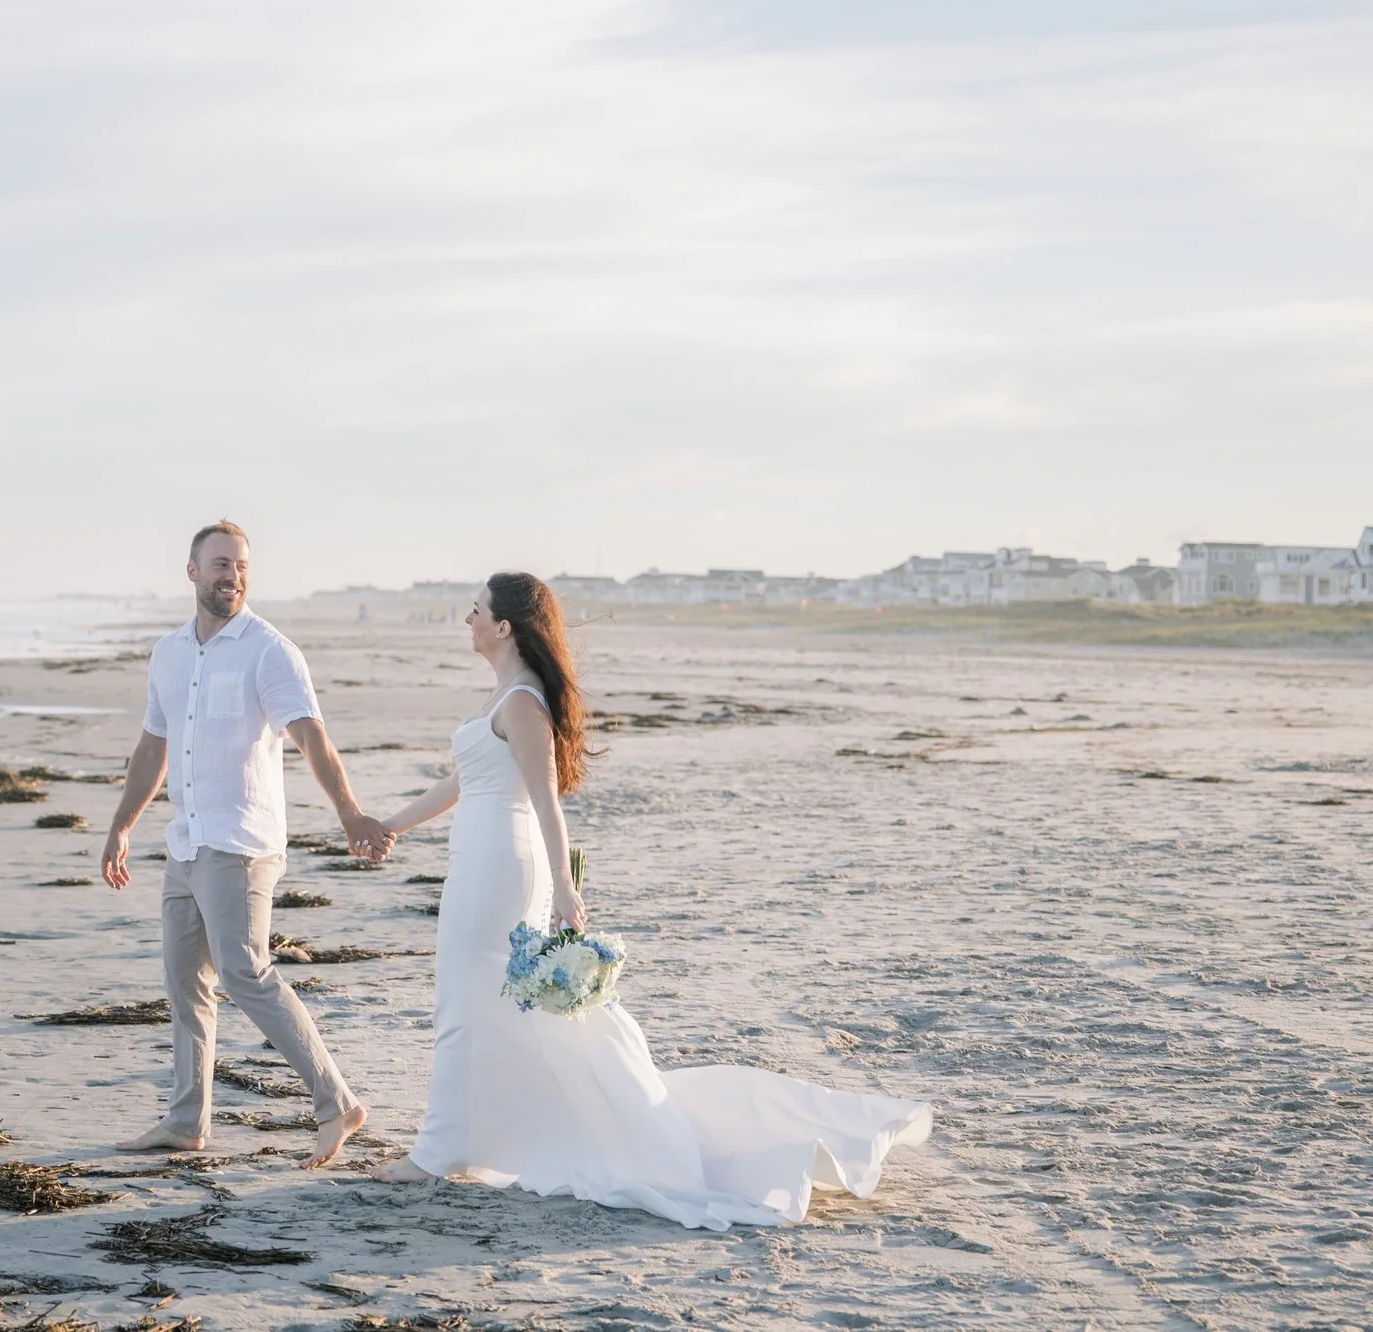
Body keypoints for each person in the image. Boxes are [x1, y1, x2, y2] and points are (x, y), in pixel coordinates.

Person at [365, 571, 932, 1229]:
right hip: (477, 862)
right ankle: (466, 1140)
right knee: (483, 1005)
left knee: (467, 1002)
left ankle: (438, 1152)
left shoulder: (521, 703)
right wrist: (389, 827)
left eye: (476, 611)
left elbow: (547, 803)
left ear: (504, 626)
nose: (467, 620)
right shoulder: (504, 696)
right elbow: (458, 783)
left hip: (501, 868)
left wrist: (565, 888)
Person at [101, 521, 387, 1170]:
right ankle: (185, 1121)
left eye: (241, 566)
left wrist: (349, 812)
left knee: (244, 969)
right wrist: (122, 824)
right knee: (183, 981)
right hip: (188, 840)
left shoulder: (269, 650)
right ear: (192, 571)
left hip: (242, 842)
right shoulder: (169, 652)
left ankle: (335, 1101)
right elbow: (154, 746)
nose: (232, 574)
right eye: (221, 563)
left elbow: (312, 737)